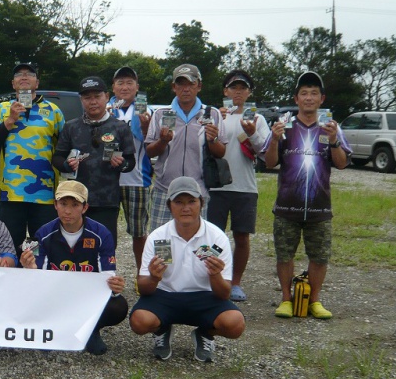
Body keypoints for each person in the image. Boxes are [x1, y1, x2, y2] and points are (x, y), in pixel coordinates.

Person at [263, 71, 351, 319]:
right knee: (284, 254)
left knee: (320, 256)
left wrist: (334, 141)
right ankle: (286, 299)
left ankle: (314, 300)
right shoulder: (285, 125)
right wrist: (273, 140)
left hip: (320, 206)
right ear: (296, 98)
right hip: (287, 205)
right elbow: (269, 163)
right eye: (304, 93)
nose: (309, 98)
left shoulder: (331, 127)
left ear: (322, 98)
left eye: (314, 93)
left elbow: (342, 163)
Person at [129, 177, 246, 363]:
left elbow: (224, 293)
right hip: (166, 295)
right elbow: (143, 288)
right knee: (139, 321)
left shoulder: (216, 238)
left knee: (235, 324)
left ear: (201, 203)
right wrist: (153, 278)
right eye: (179, 202)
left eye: (192, 201)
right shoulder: (159, 237)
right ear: (169, 206)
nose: (186, 208)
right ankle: (162, 329)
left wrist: (215, 275)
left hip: (204, 297)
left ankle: (205, 334)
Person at [19, 180, 128, 356]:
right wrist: (30, 268)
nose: (67, 211)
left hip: (86, 298)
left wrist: (115, 287)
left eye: (75, 205)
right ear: (55, 205)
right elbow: (38, 283)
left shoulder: (102, 234)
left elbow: (107, 277)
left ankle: (91, 328)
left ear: (85, 207)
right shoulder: (42, 234)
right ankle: (51, 329)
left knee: (118, 305)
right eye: (63, 204)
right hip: (56, 296)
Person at [0, 62, 65, 253]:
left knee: (44, 249)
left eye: (29, 74)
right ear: (13, 84)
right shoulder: (2, 109)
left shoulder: (53, 111)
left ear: (37, 82)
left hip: (45, 195)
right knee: (8, 248)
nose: (24, 77)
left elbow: (67, 145)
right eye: (19, 75)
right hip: (11, 194)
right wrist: (10, 120)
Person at [206, 70, 271, 302]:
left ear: (249, 92)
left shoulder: (257, 119)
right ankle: (210, 280)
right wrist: (216, 122)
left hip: (245, 187)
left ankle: (235, 283)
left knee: (242, 237)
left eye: (243, 88)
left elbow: (265, 153)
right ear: (225, 91)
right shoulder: (214, 114)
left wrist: (252, 134)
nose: (238, 92)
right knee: (212, 237)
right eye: (234, 87)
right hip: (216, 186)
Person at [52, 76, 135, 246]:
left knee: (105, 247)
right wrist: (67, 165)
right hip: (75, 201)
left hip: (107, 201)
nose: (93, 102)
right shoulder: (71, 126)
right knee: (73, 246)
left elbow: (130, 162)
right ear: (81, 100)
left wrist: (122, 164)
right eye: (87, 97)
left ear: (107, 96)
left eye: (97, 96)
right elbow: (57, 158)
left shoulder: (120, 127)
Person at [145, 64, 227, 231]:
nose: (186, 89)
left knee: (196, 244)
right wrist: (162, 141)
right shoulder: (161, 113)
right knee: (162, 246)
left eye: (191, 83)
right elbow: (149, 151)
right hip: (164, 190)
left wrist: (212, 140)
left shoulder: (212, 114)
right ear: (174, 87)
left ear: (199, 86)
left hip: (198, 192)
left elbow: (221, 152)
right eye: (181, 84)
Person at [109, 66, 153, 272]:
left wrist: (146, 125)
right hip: (107, 179)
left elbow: (152, 143)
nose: (124, 87)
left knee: (139, 232)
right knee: (106, 231)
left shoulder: (146, 110)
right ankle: (106, 275)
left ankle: (141, 274)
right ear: (113, 87)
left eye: (129, 82)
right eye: (120, 83)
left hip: (137, 179)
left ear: (137, 87)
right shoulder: (105, 108)